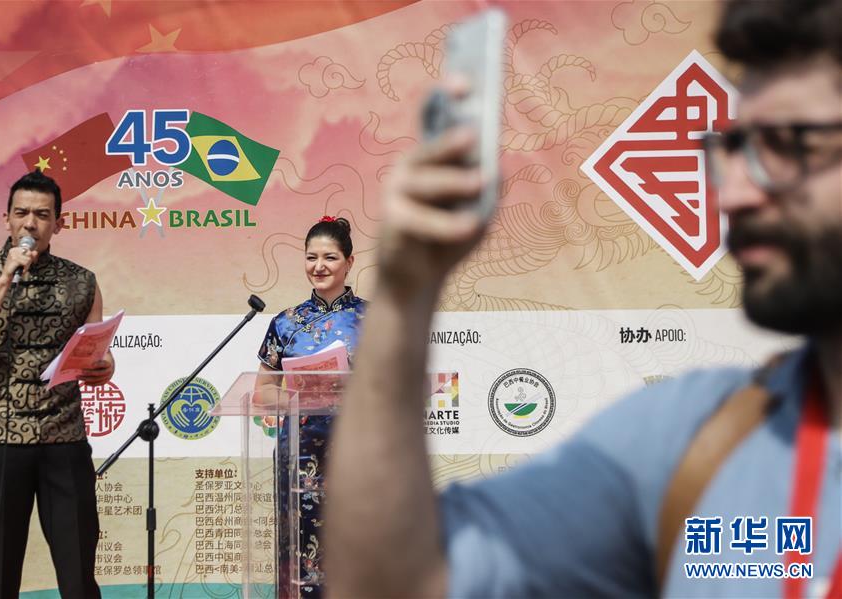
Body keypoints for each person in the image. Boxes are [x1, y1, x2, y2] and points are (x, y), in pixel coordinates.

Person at [324, 0, 842, 597]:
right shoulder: (693, 442)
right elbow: (393, 587)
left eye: (787, 144)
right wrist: (402, 296)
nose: (735, 194)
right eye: (730, 149)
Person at [0, 170, 115, 599]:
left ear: (59, 223)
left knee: (78, 574)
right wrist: (5, 279)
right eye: (21, 213)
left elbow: (95, 348)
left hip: (64, 439)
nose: (30, 223)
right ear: (6, 218)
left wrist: (103, 366)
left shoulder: (82, 281)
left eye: (42, 215)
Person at [255, 216, 366, 598]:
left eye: (330, 258)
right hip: (298, 456)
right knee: (299, 548)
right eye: (311, 257)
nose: (319, 266)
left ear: (349, 262)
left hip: (357, 452)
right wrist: (302, 396)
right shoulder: (285, 324)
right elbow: (263, 392)